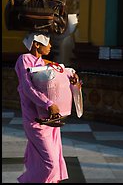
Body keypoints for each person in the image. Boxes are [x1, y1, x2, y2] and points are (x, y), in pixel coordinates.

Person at [15, 32, 79, 183]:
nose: (50, 46)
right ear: (37, 44)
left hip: (50, 121)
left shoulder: (44, 63)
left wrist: (73, 80)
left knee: (54, 159)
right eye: (47, 43)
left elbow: (58, 80)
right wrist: (48, 104)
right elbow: (27, 87)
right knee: (50, 164)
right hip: (35, 121)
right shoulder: (24, 60)